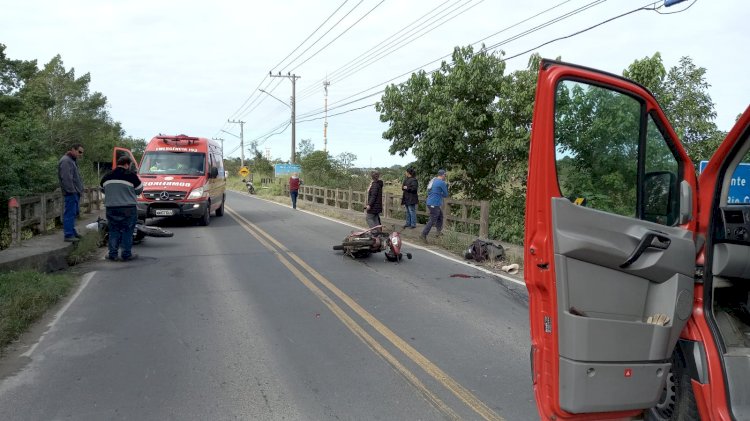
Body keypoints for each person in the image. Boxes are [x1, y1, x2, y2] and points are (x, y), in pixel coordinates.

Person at [100, 156, 144, 261]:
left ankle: (112, 254)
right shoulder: (131, 176)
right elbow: (139, 190)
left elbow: (102, 189)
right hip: (128, 208)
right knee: (127, 231)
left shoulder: (107, 176)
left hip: (111, 208)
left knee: (113, 230)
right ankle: (126, 254)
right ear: (127, 164)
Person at [58, 143, 85, 242]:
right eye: (79, 152)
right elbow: (66, 178)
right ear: (73, 149)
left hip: (74, 192)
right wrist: (72, 191)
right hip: (71, 193)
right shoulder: (66, 161)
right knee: (69, 213)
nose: (81, 154)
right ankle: (68, 234)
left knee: (73, 213)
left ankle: (72, 232)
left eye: (82, 152)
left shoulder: (71, 161)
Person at [420, 169, 449, 243]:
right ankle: (423, 234)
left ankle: (438, 232)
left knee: (440, 216)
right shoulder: (442, 183)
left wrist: (437, 193)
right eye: (445, 175)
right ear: (443, 175)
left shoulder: (433, 180)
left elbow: (429, 191)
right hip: (434, 203)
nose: (445, 176)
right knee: (433, 220)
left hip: (430, 202)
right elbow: (446, 194)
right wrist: (441, 192)